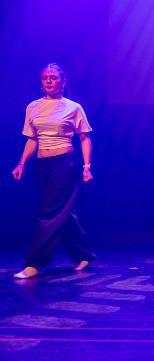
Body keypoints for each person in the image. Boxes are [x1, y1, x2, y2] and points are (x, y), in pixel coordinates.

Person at [11, 63, 96, 279]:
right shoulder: (33, 107)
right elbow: (32, 138)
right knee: (62, 211)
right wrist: (21, 163)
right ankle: (83, 254)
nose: (49, 80)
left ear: (63, 81)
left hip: (64, 164)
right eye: (45, 78)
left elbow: (84, 138)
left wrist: (87, 167)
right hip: (42, 166)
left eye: (54, 77)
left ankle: (35, 262)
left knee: (49, 212)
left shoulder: (73, 107)